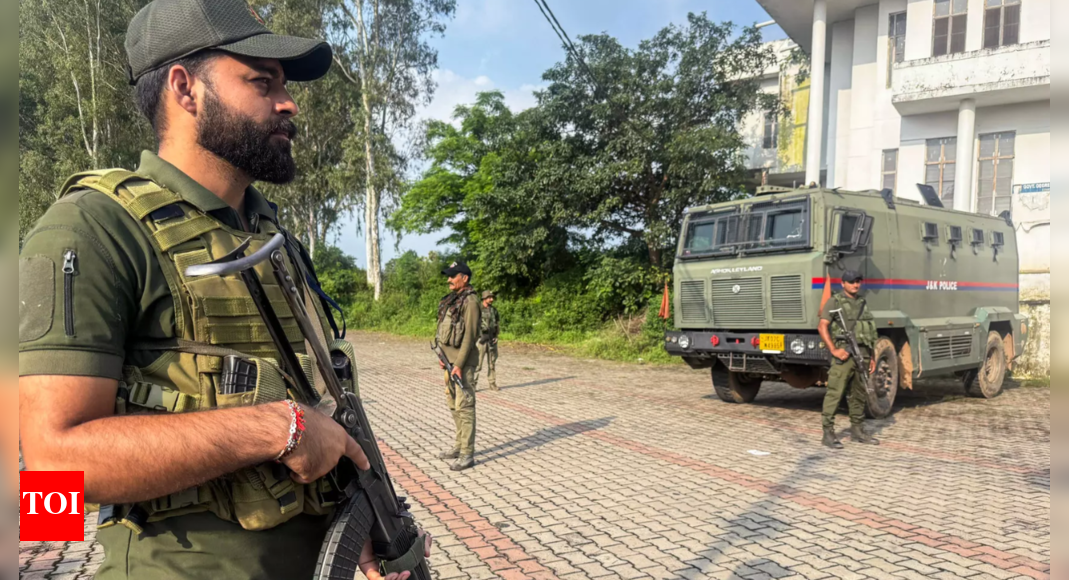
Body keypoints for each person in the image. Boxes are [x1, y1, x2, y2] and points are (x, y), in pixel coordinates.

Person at [17, 0, 427, 578]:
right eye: (262, 81)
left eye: (284, 85)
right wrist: (274, 429)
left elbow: (318, 403)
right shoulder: (93, 228)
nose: (288, 103)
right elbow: (49, 464)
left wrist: (361, 526)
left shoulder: (271, 235)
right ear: (185, 89)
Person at [817, 270, 881, 449]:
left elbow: (869, 332)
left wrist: (872, 357)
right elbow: (822, 326)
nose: (855, 285)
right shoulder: (835, 301)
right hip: (844, 354)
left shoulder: (862, 302)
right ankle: (828, 433)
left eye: (858, 281)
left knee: (859, 394)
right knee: (835, 393)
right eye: (852, 282)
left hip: (863, 354)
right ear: (843, 283)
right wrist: (834, 350)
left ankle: (857, 430)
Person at [435, 261, 480, 471]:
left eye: (453, 276)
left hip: (463, 365)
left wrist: (459, 364)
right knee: (453, 405)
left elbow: (470, 337)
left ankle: (467, 454)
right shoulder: (454, 300)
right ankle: (460, 445)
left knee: (465, 406)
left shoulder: (470, 301)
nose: (449, 280)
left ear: (465, 278)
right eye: (449, 276)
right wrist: (443, 357)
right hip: (449, 362)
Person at [475, 290, 500, 392]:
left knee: (492, 363)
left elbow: (497, 324)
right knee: (477, 364)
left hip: (491, 340)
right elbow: (473, 324)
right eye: (489, 297)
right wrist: (477, 337)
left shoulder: (494, 310)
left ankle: (492, 383)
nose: (492, 299)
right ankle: (473, 384)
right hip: (481, 340)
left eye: (492, 297)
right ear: (484, 298)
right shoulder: (478, 309)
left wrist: (496, 336)